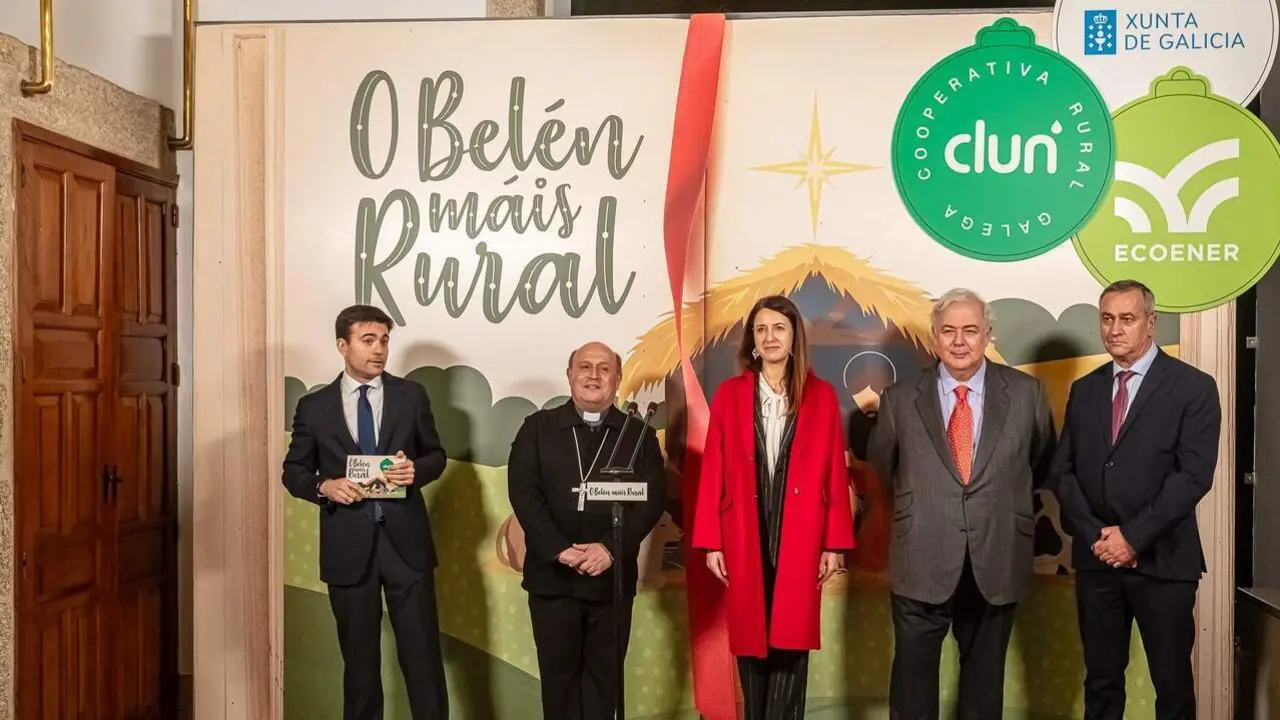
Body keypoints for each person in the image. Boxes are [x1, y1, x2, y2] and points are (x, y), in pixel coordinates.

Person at [868, 288, 1055, 720]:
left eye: (970, 330)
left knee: (983, 690)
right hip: (921, 561)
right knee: (912, 691)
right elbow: (884, 468)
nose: (959, 341)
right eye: (948, 330)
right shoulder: (899, 399)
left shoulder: (1027, 394)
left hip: (997, 557)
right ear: (934, 337)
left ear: (988, 334)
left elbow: (1040, 462)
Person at [1052, 279, 1221, 720]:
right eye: (1107, 319)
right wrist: (1097, 538)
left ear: (1151, 322)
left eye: (1127, 319)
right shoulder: (1085, 390)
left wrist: (1132, 537)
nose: (1115, 330)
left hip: (1164, 562)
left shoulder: (1193, 387)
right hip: (1097, 562)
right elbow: (1063, 471)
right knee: (1102, 682)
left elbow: (1193, 476)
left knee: (1173, 686)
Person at [691, 294, 856, 720]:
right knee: (751, 639)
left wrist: (834, 544)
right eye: (761, 329)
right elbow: (714, 471)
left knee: (790, 642)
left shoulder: (820, 396)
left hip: (801, 533)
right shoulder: (730, 395)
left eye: (778, 328)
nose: (769, 337)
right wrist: (712, 542)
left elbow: (834, 476)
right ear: (752, 340)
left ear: (794, 337)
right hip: (744, 529)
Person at [281, 304, 449, 720]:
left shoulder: (411, 397)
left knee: (423, 660)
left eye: (385, 341)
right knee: (359, 665)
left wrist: (416, 471)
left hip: (406, 548)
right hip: (347, 550)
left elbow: (436, 456)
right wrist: (325, 486)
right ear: (343, 345)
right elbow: (294, 471)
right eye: (368, 340)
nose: (379, 350)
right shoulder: (314, 406)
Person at [507, 341, 666, 720]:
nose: (593, 376)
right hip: (552, 580)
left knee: (602, 685)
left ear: (617, 379)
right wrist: (560, 549)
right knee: (559, 687)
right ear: (570, 375)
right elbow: (523, 493)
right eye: (584, 367)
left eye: (603, 368)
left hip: (609, 582)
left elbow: (651, 501)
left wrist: (610, 549)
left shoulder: (639, 435)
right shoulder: (537, 429)